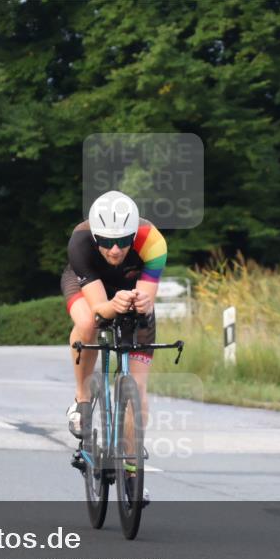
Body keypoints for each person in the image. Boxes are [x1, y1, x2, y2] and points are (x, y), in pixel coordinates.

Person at [60, 190, 166, 505]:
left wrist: (141, 302)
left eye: (123, 241)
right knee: (88, 324)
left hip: (130, 291)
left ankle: (132, 470)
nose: (115, 249)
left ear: (134, 234)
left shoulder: (153, 242)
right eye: (106, 242)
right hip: (88, 287)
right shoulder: (80, 242)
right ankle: (82, 398)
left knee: (138, 390)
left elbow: (146, 299)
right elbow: (99, 310)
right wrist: (112, 304)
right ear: (96, 237)